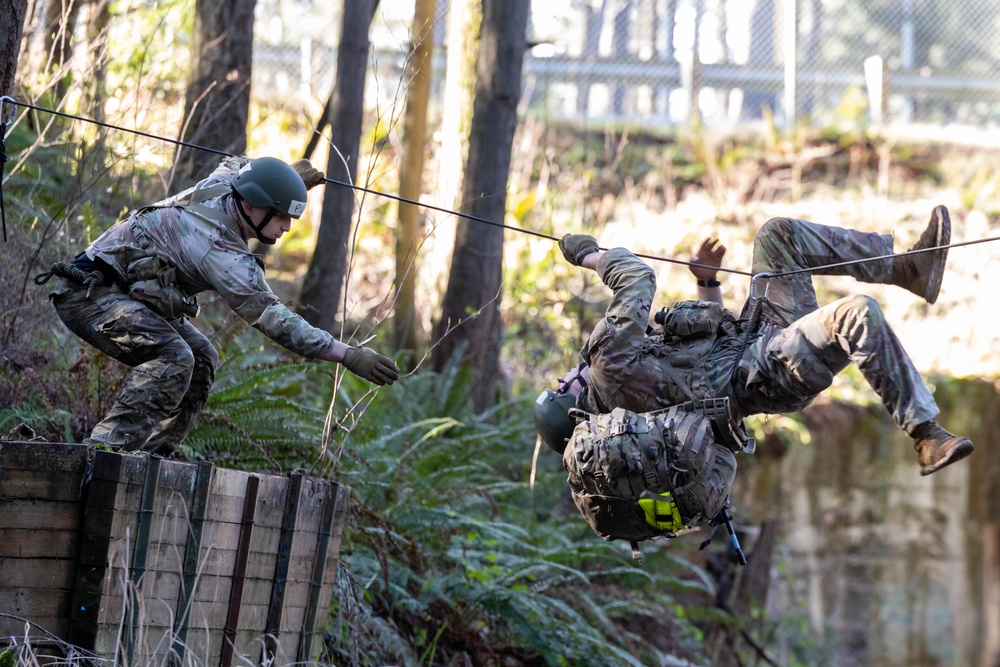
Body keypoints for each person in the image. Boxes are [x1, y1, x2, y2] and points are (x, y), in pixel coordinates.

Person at [541, 207, 973, 477]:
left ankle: (909, 269)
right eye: (561, 386)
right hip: (766, 370)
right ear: (572, 402)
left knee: (778, 235)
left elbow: (699, 367)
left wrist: (706, 282)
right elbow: (636, 279)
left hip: (755, 343)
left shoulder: (628, 392)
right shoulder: (606, 367)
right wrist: (590, 255)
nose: (564, 376)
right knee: (856, 315)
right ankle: (926, 436)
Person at [36, 156, 400, 456]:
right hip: (87, 295)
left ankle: (151, 457)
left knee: (202, 357)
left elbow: (240, 164)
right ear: (250, 206)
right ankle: (101, 456)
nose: (287, 227)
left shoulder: (227, 182)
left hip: (121, 291)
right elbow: (275, 320)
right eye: (280, 215)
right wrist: (347, 355)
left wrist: (287, 178)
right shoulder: (221, 253)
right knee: (175, 356)